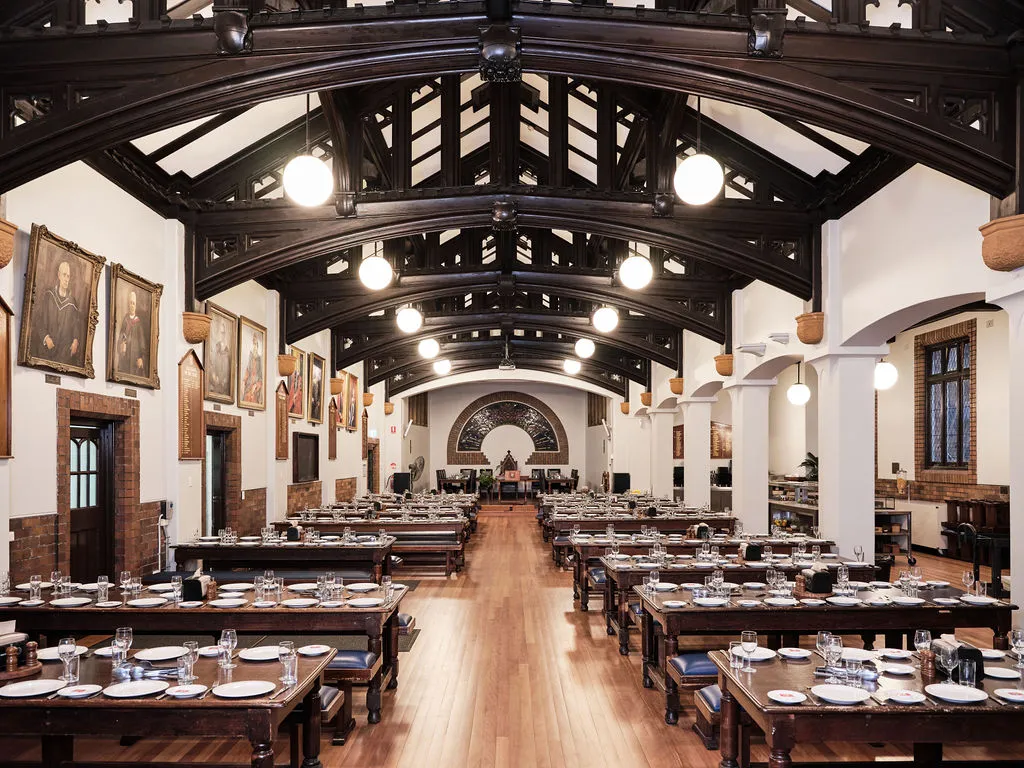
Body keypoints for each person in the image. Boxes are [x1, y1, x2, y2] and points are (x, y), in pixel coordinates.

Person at [35, 260, 81, 364]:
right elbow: (38, 319)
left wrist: (75, 340)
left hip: (63, 352)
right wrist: (46, 338)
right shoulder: (49, 295)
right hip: (47, 347)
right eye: (64, 275)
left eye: (68, 276)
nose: (66, 279)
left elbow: (75, 325)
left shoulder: (72, 303)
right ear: (59, 275)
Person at [116, 290, 147, 377]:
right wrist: (121, 345)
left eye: (133, 303)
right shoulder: (125, 321)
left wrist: (141, 358)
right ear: (128, 305)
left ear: (135, 306)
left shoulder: (138, 323)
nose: (132, 305)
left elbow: (142, 344)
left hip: (134, 361)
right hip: (125, 360)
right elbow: (120, 338)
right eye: (130, 303)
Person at [208, 320, 232, 396]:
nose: (222, 335)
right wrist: (214, 375)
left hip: (224, 383)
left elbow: (228, 367)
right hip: (216, 382)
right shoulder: (216, 347)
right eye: (221, 332)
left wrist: (226, 378)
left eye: (223, 333)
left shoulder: (227, 349)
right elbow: (211, 364)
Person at [241, 330, 264, 405]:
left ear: (257, 346)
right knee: (246, 397)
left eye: (255, 345)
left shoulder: (259, 359)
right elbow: (247, 371)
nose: (254, 347)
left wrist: (256, 385)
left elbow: (261, 377)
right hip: (248, 384)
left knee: (253, 399)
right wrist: (243, 382)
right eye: (253, 344)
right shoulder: (250, 357)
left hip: (256, 386)